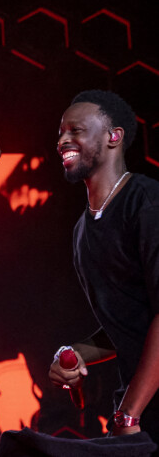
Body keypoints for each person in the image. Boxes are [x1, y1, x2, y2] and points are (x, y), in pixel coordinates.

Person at [49, 90, 159, 451]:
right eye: (61, 132)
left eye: (76, 130)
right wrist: (78, 351)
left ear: (114, 136)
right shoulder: (82, 232)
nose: (63, 140)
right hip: (142, 415)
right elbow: (129, 324)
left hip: (136, 415)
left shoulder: (147, 201)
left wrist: (129, 414)